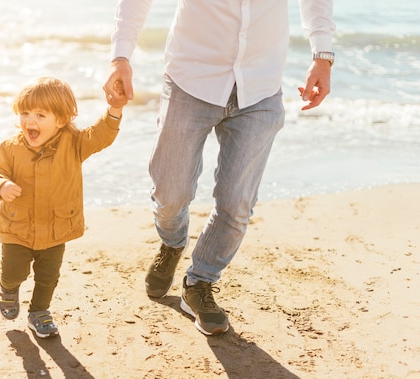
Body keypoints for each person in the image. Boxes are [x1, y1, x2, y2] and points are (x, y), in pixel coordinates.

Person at [103, 0, 335, 336]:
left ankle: (199, 282)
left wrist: (322, 55)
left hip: (260, 88)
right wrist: (120, 57)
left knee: (236, 203)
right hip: (190, 79)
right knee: (170, 193)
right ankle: (172, 242)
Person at [0, 77, 127, 338]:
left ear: (60, 120)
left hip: (56, 228)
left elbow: (100, 135)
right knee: (15, 271)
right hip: (17, 227)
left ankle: (39, 312)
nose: (30, 121)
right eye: (25, 113)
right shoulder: (11, 147)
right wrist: (1, 185)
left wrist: (115, 109)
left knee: (48, 277)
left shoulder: (73, 144)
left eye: (40, 114)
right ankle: (8, 288)